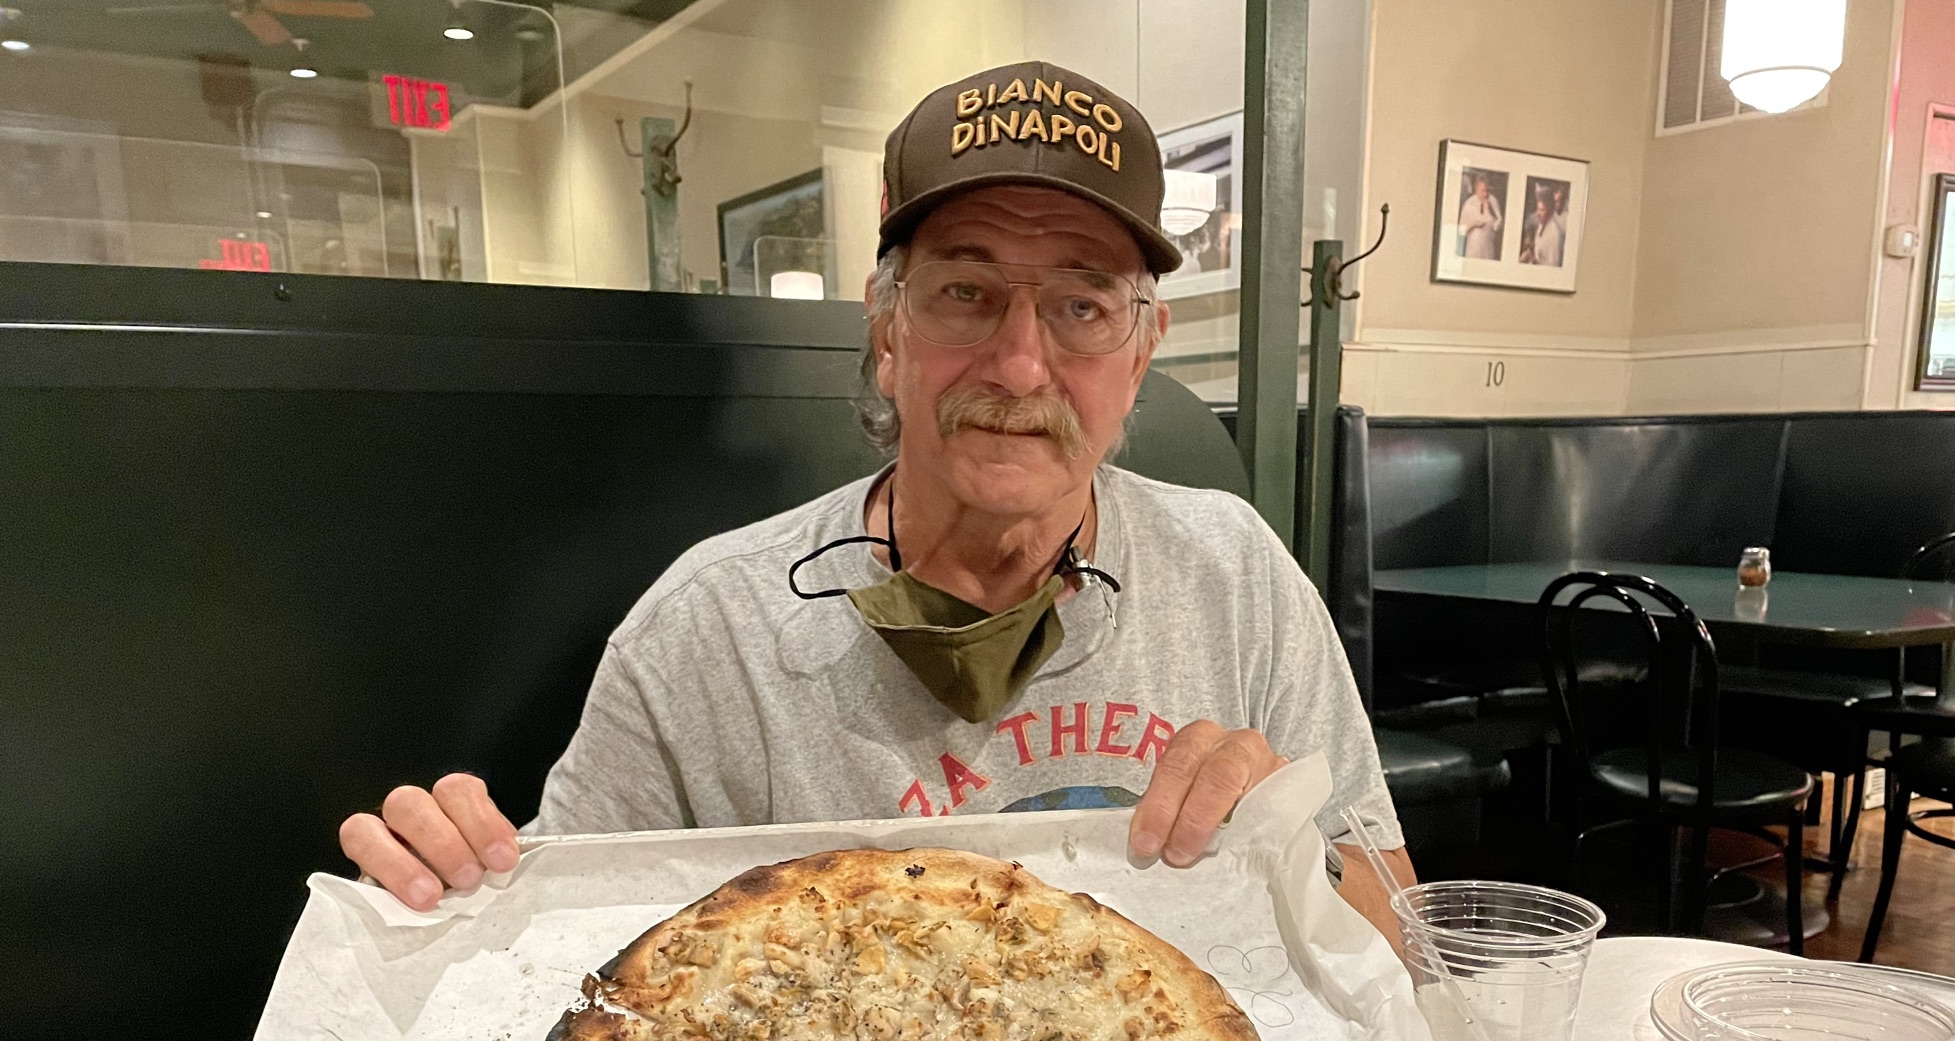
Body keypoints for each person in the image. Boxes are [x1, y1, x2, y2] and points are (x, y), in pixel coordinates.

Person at [339, 60, 1416, 940]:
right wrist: (448, 893)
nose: (1020, 366)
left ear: (1140, 356)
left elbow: (1397, 929)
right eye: (965, 293)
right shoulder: (711, 633)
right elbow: (554, 948)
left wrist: (1297, 853)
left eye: (1082, 306)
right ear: (888, 331)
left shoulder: (1234, 575)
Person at [1456, 173, 1502, 260]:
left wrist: (1489, 211)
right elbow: (1461, 231)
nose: (1485, 194)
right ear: (1476, 189)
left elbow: (1498, 226)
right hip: (1472, 251)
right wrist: (1473, 224)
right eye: (1483, 191)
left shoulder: (1493, 201)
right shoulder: (1469, 204)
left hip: (1488, 252)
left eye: (1487, 190)